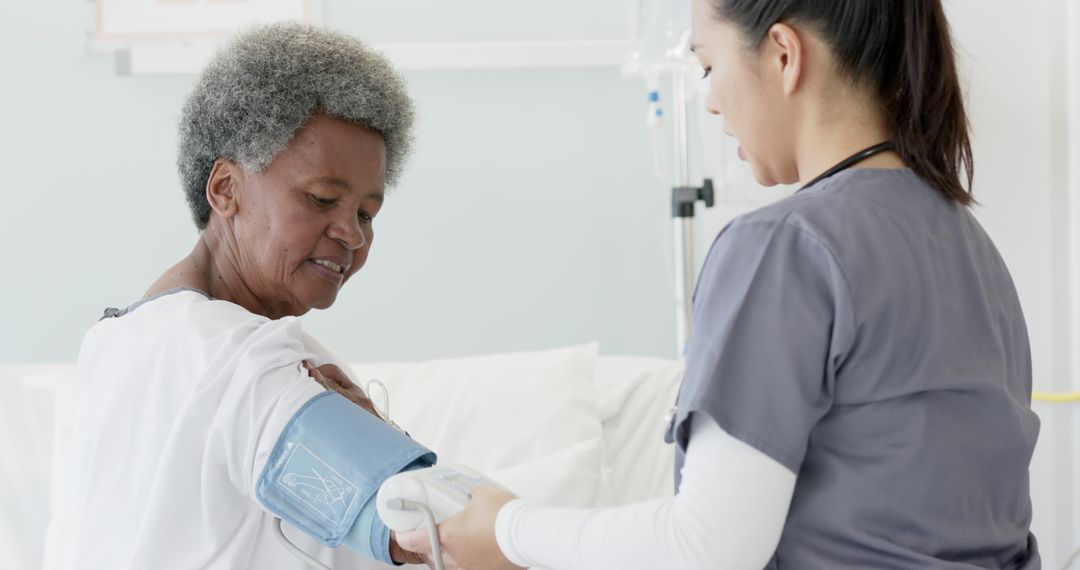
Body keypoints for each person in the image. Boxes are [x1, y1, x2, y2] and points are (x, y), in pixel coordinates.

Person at [398, 0, 1041, 568]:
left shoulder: (785, 247)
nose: (708, 99)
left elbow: (706, 546)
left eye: (708, 66)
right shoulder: (971, 246)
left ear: (784, 54)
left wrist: (508, 530)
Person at [60, 23, 437, 569]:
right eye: (322, 198)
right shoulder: (246, 359)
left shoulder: (114, 340)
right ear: (225, 189)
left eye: (365, 213)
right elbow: (430, 531)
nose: (351, 233)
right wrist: (386, 438)